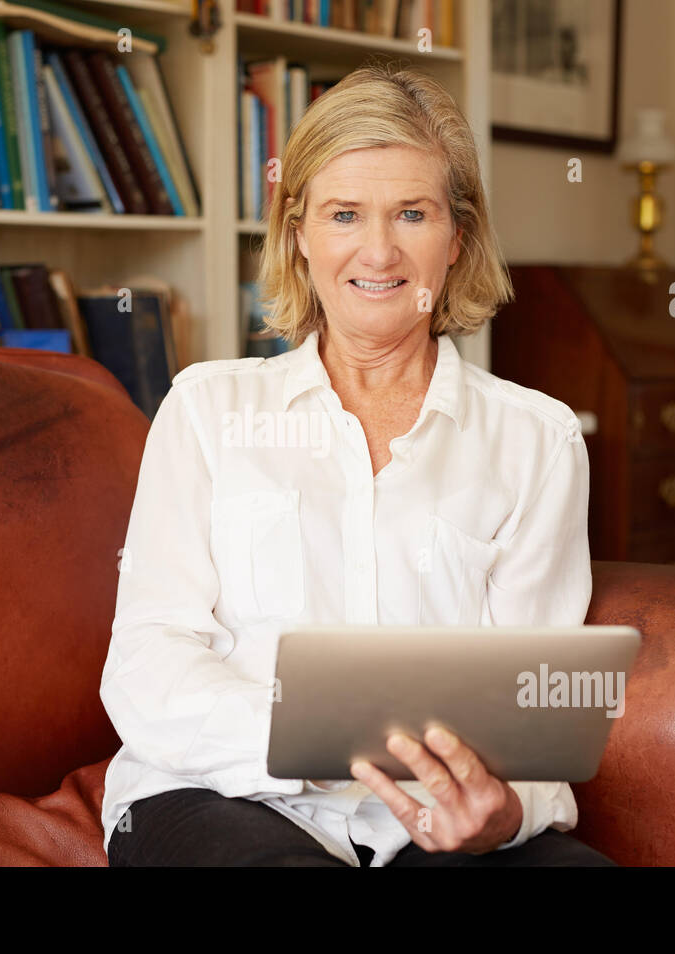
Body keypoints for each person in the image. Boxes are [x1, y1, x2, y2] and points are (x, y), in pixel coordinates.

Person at [100, 60, 614, 867]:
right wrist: (322, 740)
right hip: (218, 792)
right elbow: (147, 660)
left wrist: (504, 809)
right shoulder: (206, 410)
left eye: (412, 213)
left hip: (428, 821)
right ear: (299, 234)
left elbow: (537, 698)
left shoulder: (536, 440)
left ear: (459, 239)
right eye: (345, 213)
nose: (378, 251)